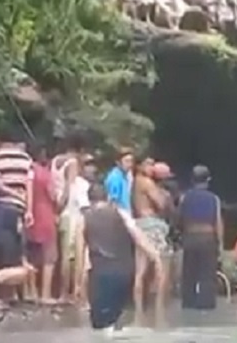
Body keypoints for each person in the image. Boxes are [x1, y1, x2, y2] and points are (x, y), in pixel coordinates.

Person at [83, 183, 162, 336]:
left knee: (100, 327)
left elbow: (82, 253)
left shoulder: (85, 218)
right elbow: (139, 237)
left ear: (89, 200)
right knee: (117, 322)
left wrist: (79, 284)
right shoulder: (121, 213)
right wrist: (155, 257)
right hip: (125, 274)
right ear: (107, 197)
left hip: (100, 275)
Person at [0, 127, 34, 302]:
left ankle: (1, 292)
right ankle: (12, 292)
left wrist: (11, 193)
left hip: (1, 207)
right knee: (16, 249)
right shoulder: (26, 159)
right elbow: (29, 185)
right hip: (19, 209)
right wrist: (28, 209)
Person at [178, 165, 223, 309]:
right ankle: (206, 306)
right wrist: (220, 245)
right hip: (208, 238)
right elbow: (218, 222)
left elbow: (179, 219)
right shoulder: (214, 199)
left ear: (192, 180)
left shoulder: (184, 197)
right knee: (207, 275)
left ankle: (188, 303)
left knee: (189, 275)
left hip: (190, 238)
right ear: (208, 180)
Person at [132, 156, 171, 317]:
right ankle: (159, 308)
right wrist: (164, 194)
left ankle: (139, 309)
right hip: (152, 224)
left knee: (140, 269)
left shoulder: (134, 182)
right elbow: (161, 203)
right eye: (148, 164)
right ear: (140, 166)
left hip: (139, 223)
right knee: (162, 265)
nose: (151, 167)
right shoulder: (147, 183)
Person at [52, 132, 88, 302]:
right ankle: (67, 293)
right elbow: (70, 188)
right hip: (70, 210)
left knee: (63, 253)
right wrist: (62, 205)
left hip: (60, 209)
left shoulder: (55, 161)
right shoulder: (72, 163)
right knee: (70, 255)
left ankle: (63, 291)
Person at [25, 143, 58, 304]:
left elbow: (28, 191)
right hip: (46, 213)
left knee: (32, 255)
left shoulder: (29, 170)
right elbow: (53, 195)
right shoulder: (45, 174)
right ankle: (45, 294)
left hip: (32, 214)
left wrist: (28, 210)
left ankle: (31, 292)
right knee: (49, 256)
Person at [104, 147, 134, 212]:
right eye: (126, 161)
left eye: (131, 161)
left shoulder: (125, 175)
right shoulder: (115, 177)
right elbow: (113, 202)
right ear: (118, 162)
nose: (130, 164)